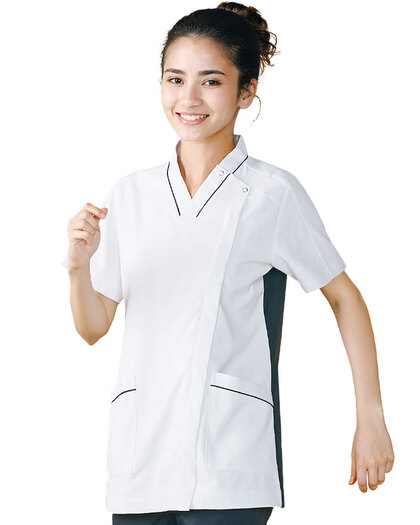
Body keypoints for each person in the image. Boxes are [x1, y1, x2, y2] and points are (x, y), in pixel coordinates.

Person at [60, 2, 395, 524]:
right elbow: (92, 327)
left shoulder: (271, 193)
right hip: (138, 464)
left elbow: (345, 297)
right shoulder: (130, 195)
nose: (188, 99)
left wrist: (369, 417)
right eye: (175, 79)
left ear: (246, 91)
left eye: (211, 82)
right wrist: (78, 268)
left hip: (229, 460)